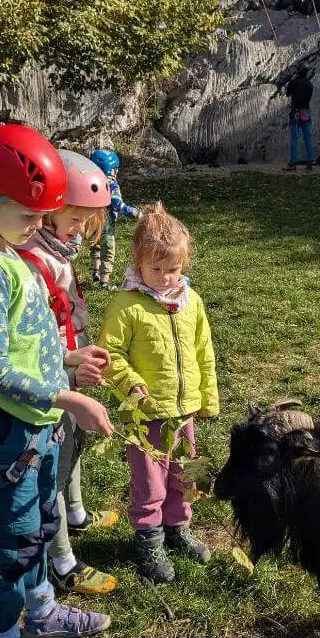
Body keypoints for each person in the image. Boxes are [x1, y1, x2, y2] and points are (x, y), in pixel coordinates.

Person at [0, 123, 115, 638]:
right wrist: (69, 397)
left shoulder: (9, 251)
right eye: (29, 216)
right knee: (9, 542)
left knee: (40, 524)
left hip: (37, 423)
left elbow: (24, 344)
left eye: (45, 217)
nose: (39, 228)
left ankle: (41, 612)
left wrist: (67, 360)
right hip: (8, 430)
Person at [16, 149, 121, 597]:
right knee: (53, 467)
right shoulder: (32, 263)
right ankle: (62, 560)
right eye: (76, 220)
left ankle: (75, 513)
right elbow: (33, 339)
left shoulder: (57, 251)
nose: (82, 231)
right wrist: (68, 362)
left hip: (69, 364)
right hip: (51, 374)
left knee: (74, 441)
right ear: (50, 213)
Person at [97, 202, 220, 584]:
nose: (166, 278)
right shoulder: (126, 305)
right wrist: (129, 384)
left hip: (184, 412)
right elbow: (110, 354)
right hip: (146, 414)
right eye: (156, 270)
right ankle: (149, 540)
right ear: (137, 262)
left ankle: (178, 528)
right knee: (149, 480)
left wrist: (207, 399)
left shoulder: (191, 302)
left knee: (184, 475)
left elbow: (204, 350)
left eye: (173, 269)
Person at [87, 148, 139, 291]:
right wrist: (131, 211)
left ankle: (95, 273)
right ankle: (104, 282)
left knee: (95, 246)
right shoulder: (112, 184)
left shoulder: (91, 181)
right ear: (113, 169)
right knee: (108, 251)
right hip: (106, 224)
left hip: (91, 221)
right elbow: (116, 202)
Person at [284, 66, 314, 171]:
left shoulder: (293, 83)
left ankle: (293, 162)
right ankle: (311, 161)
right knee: (308, 137)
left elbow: (287, 94)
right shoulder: (310, 84)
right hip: (306, 111)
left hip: (296, 112)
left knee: (295, 138)